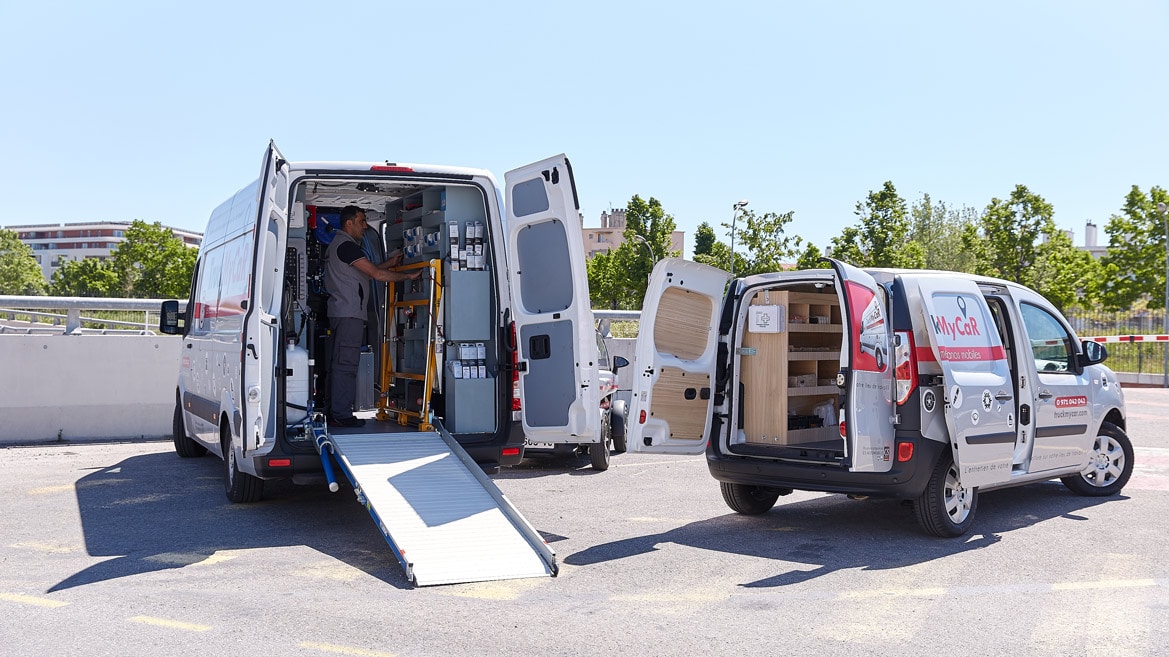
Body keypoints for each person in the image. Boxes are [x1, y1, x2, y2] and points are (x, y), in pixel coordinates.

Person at [325, 205, 420, 427]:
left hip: (343, 312)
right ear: (349, 223)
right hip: (349, 314)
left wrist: (391, 263)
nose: (365, 226)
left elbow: (369, 269)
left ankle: (335, 411)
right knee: (346, 365)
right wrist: (408, 276)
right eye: (361, 221)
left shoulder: (343, 247)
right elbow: (376, 274)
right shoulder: (347, 246)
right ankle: (341, 414)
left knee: (339, 363)